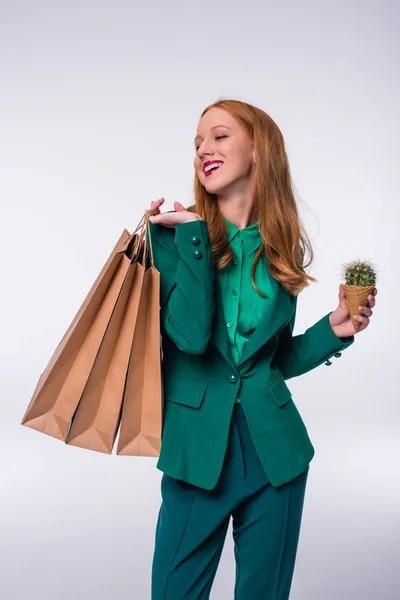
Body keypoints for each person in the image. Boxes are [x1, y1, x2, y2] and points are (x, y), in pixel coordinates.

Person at [145, 99, 377, 600]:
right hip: (195, 455)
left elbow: (269, 364)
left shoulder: (279, 247)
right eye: (198, 142)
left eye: (220, 136)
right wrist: (192, 237)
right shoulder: (171, 237)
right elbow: (189, 339)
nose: (203, 148)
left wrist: (332, 331)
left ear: (259, 150)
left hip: (277, 455)